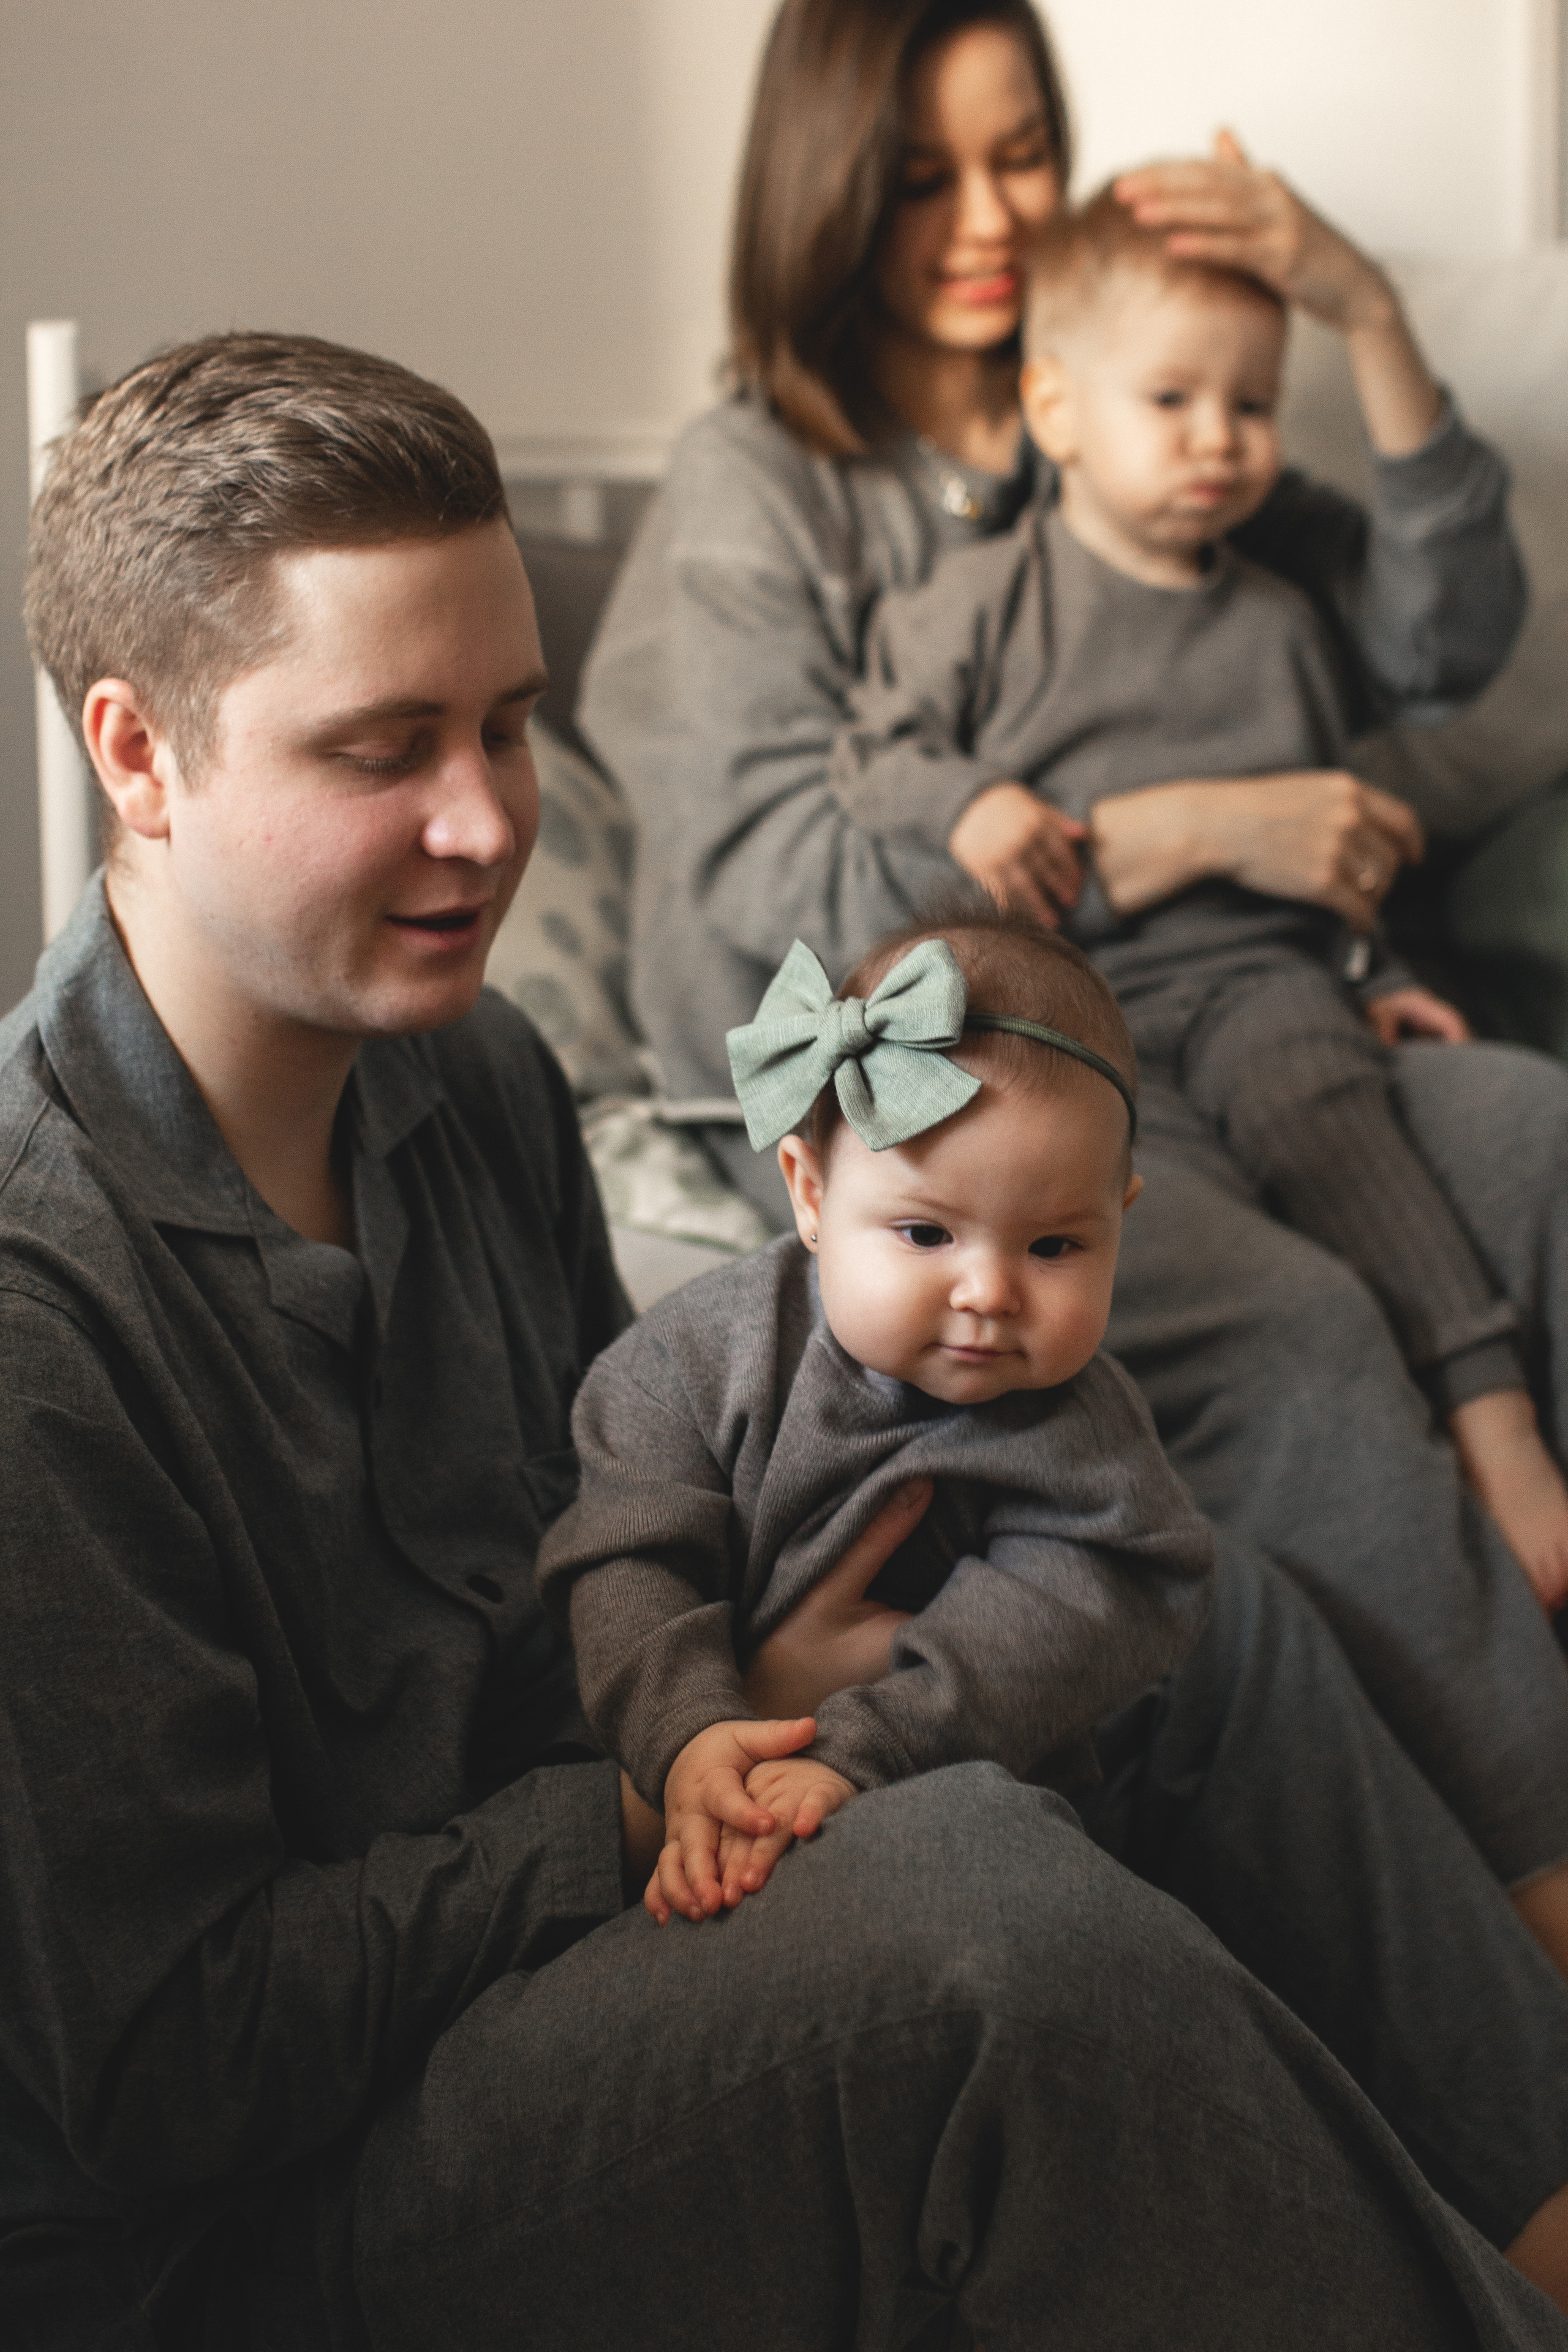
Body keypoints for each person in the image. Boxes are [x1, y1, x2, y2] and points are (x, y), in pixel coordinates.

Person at [9, 328, 1568, 2348]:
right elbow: (166, 2068)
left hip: (578, 1843)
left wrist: (782, 1662)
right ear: (137, 753)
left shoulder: (472, 1083)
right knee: (977, 1911)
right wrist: (660, 1789)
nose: (489, 823)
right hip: (256, 2217)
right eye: (385, 749)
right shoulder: (48, 1324)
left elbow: (649, 1498)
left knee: (1198, 1619)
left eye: (510, 726)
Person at [578, 0, 1568, 1967]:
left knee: (1532, 1135)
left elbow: (1443, 644)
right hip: (1004, 1093)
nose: (986, 212)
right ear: (823, 188)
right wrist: (1190, 829)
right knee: (1290, 1323)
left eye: (1022, 150)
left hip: (1265, 1009)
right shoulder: (762, 484)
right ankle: (1537, 1893)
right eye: (923, 171)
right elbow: (756, 917)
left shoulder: (1172, 404)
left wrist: (1364, 312)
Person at [829, 186, 1568, 1613]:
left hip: (1259, 989)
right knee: (1218, 1242)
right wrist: (964, 804)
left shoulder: (1282, 621)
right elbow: (874, 757)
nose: (1218, 439)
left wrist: (1365, 978)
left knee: (1334, 1122)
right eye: (1170, 399)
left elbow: (1318, 852)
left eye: (1248, 404)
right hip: (1065, 1012)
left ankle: (1491, 1416)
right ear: (1053, 408)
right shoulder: (977, 602)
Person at [538, 914, 1213, 1926]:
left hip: (964, 1813)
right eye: (925, 1232)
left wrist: (870, 1747)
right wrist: (686, 1737)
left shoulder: (1082, 1431)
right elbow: (624, 1558)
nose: (989, 1290)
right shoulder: (690, 1362)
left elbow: (1089, 1608)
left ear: (1122, 1210)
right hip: (677, 1800)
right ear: (810, 1195)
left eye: (1056, 1248)